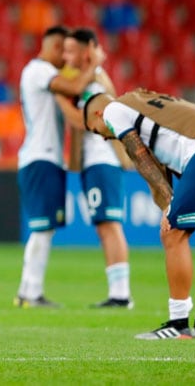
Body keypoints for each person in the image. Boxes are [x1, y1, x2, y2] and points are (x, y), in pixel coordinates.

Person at [84, 89, 195, 339]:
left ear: (99, 113)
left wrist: (170, 202)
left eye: (98, 130)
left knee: (172, 234)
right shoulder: (145, 105)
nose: (105, 138)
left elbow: (140, 157)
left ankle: (179, 323)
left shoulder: (114, 110)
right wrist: (168, 201)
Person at [14, 25, 100, 308]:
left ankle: (28, 291)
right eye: (63, 50)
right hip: (41, 156)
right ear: (53, 47)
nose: (66, 58)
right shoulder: (38, 70)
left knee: (45, 228)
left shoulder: (39, 72)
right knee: (42, 228)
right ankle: (30, 293)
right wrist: (94, 66)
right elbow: (75, 86)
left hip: (45, 156)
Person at [59, 28, 132, 309]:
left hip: (103, 160)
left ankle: (121, 294)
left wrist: (60, 102)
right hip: (95, 162)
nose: (66, 57)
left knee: (109, 225)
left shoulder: (95, 85)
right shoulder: (90, 80)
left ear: (86, 50)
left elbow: (82, 121)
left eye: (70, 51)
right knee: (104, 226)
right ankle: (118, 292)